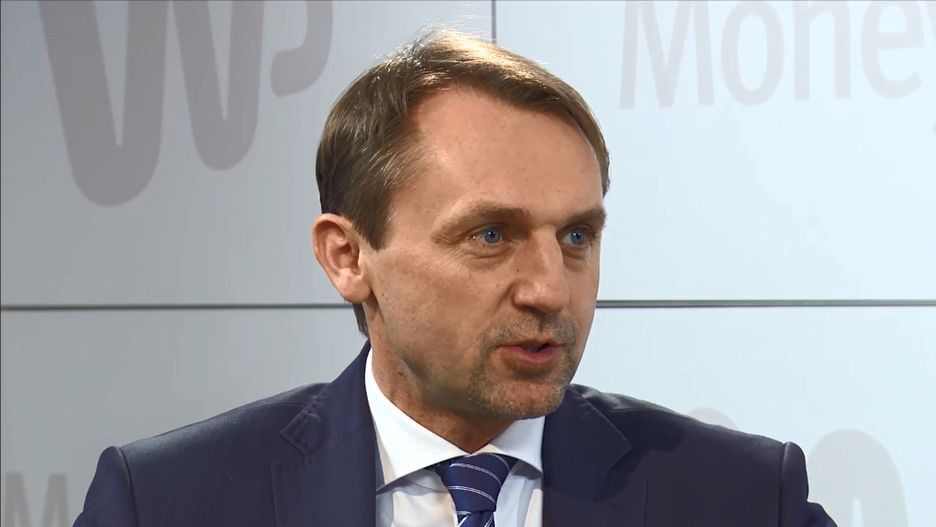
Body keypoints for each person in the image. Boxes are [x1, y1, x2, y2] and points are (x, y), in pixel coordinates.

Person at [74, 29, 835, 527]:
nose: (549, 289)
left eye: (576, 236)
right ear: (348, 257)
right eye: (491, 235)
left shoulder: (742, 498)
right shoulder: (166, 501)